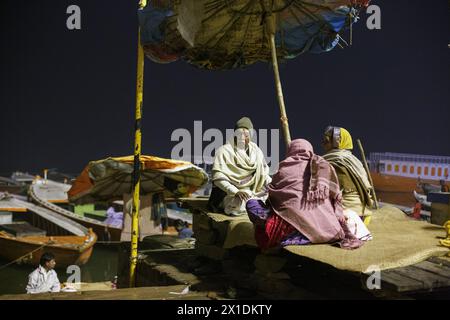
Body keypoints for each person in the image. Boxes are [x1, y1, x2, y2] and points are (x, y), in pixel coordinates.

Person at [246, 139, 365, 251]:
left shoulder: (284, 168)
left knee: (252, 204)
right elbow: (336, 197)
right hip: (328, 229)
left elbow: (272, 196)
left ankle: (295, 235)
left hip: (291, 228)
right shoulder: (323, 166)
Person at [208, 117, 272, 216]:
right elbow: (218, 178)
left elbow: (263, 174)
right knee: (241, 202)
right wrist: (236, 191)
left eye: (246, 135)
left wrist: (272, 185)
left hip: (253, 191)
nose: (242, 138)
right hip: (231, 194)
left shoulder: (257, 151)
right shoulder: (224, 151)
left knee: (271, 197)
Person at [322, 126, 374, 225]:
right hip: (363, 216)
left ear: (336, 142)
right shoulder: (355, 161)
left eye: (326, 140)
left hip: (343, 217)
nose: (323, 144)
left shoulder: (332, 162)